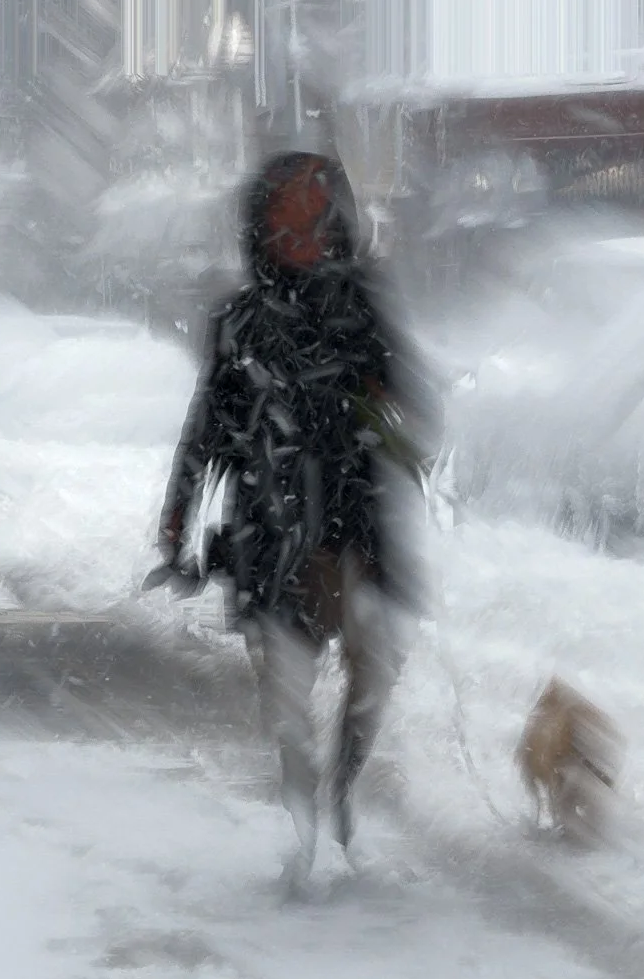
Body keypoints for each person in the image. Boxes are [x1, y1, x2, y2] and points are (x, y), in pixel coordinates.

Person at [151, 149, 440, 881]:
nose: (302, 231)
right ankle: (302, 808)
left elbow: (411, 404)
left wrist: (392, 418)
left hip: (358, 527)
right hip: (271, 531)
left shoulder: (362, 300)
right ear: (261, 230)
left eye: (315, 215)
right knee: (285, 698)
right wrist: (178, 517)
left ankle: (341, 785)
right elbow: (206, 427)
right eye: (286, 217)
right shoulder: (240, 321)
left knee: (375, 664)